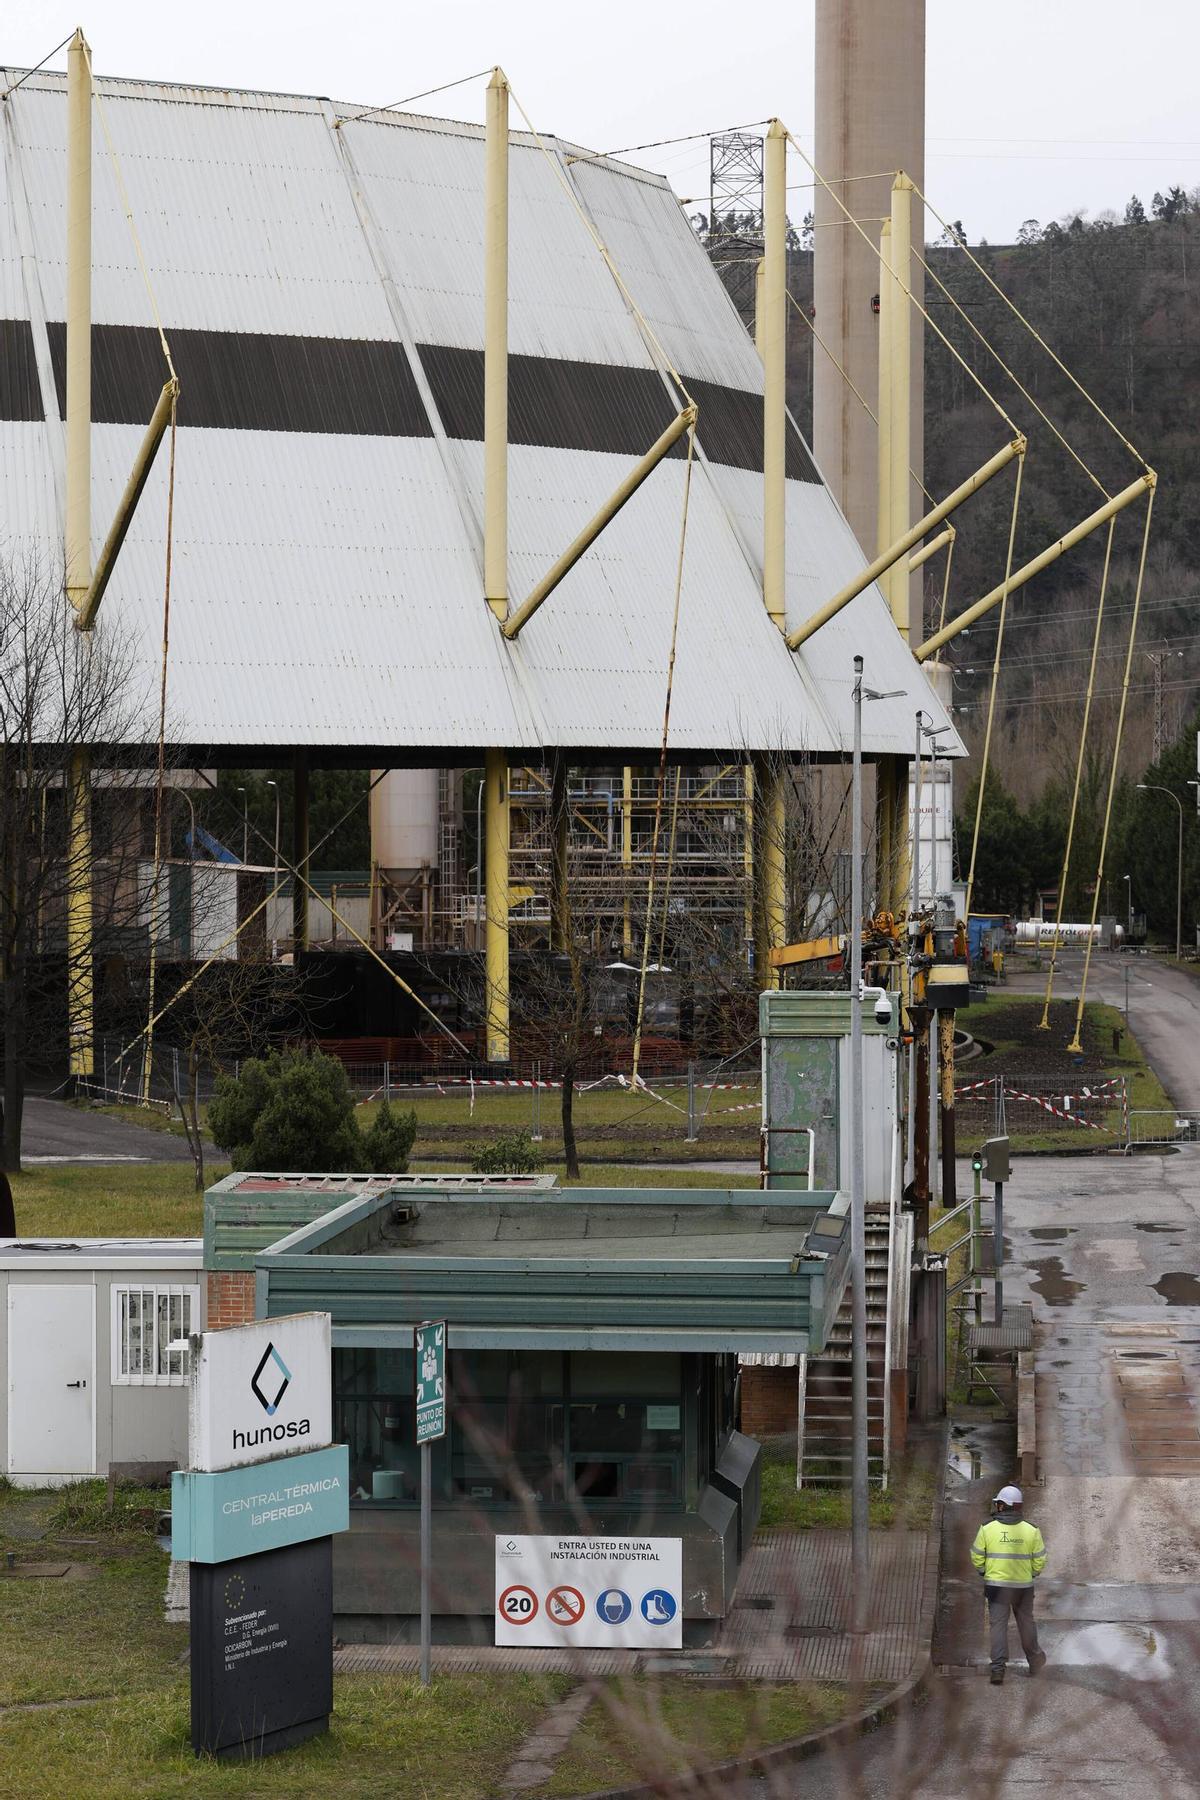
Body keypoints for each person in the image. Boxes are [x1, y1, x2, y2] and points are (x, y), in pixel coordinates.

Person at [970, 1483, 1047, 1684]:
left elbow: (977, 1556)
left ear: (1003, 1506)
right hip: (1023, 1588)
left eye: (999, 1504)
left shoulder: (987, 1529)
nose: (997, 1507)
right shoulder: (1032, 1530)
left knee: (998, 1627)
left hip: (996, 1587)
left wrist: (984, 1571)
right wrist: (1030, 1573)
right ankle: (1035, 1660)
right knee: (1026, 1623)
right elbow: (1040, 1559)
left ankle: (997, 1670)